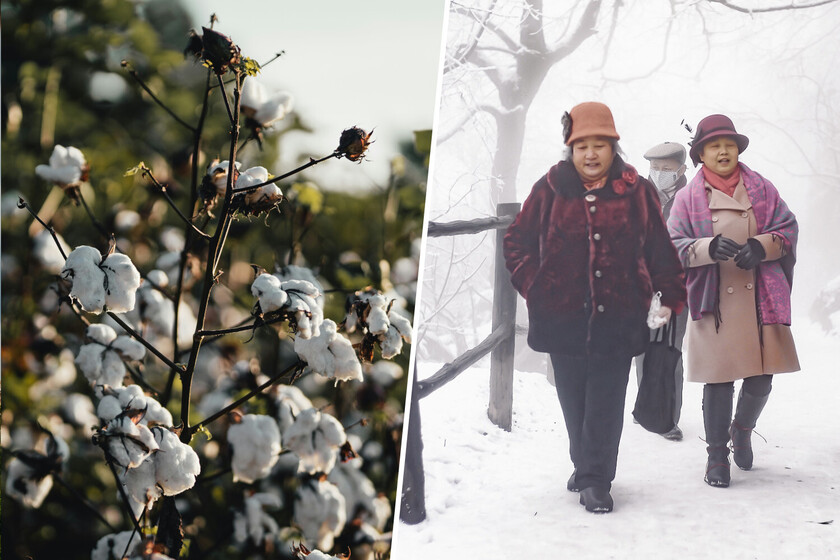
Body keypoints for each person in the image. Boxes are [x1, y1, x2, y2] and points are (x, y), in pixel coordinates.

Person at [503, 102, 686, 513]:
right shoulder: (549, 188)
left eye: (599, 144)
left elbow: (659, 248)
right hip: (562, 318)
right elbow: (516, 242)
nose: (590, 153)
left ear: (613, 146)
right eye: (581, 144)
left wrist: (669, 295)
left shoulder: (637, 190)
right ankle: (584, 463)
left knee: (606, 400)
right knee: (574, 400)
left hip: (619, 317)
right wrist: (535, 286)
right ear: (570, 148)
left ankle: (596, 479)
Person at [668, 114, 799, 488]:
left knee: (760, 380)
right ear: (701, 154)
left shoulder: (762, 188)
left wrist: (762, 245)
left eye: (729, 144)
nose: (723, 151)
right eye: (714, 146)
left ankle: (742, 429)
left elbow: (787, 227)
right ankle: (716, 458)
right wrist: (707, 248)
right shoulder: (687, 199)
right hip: (714, 304)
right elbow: (671, 246)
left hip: (760, 297)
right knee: (719, 381)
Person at [634, 142, 690, 441]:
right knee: (640, 347)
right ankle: (645, 408)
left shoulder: (692, 197)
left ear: (681, 170)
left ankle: (667, 416)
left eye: (666, 169)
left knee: (669, 350)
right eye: (654, 168)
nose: (659, 174)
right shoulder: (639, 195)